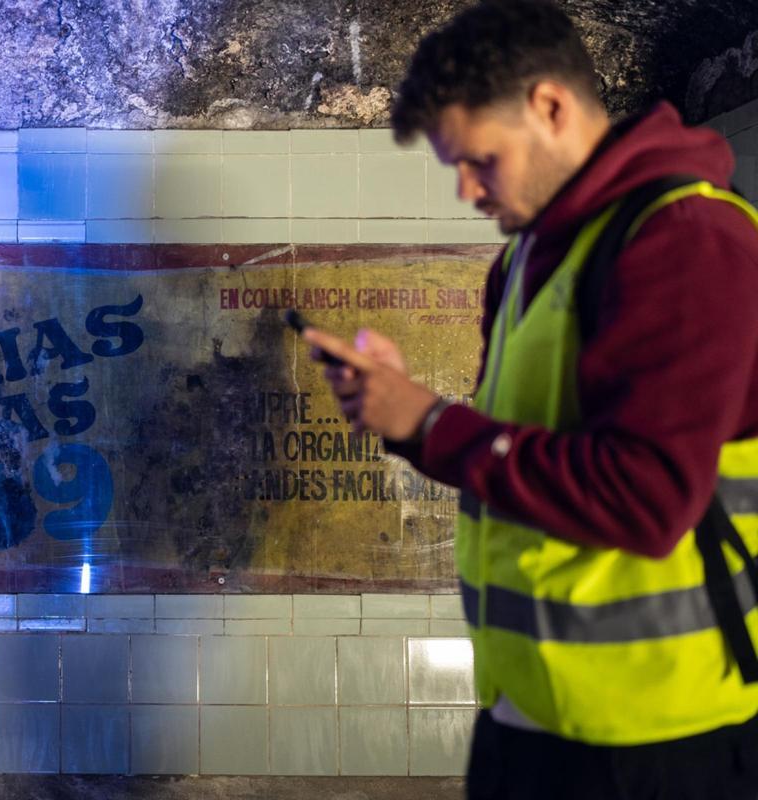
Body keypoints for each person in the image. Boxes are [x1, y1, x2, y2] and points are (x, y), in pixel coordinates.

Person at [302, 1, 758, 797]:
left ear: (550, 106)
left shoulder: (686, 236)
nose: (467, 190)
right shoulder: (524, 263)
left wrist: (431, 424)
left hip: (658, 739)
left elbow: (647, 497)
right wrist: (404, 415)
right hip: (528, 712)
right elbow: (526, 451)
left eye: (481, 160)